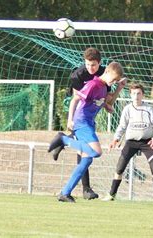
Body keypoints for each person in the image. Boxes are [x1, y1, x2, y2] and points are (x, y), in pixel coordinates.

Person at [48, 62, 126, 203]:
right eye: (113, 79)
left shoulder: (103, 87)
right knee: (96, 152)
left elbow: (109, 103)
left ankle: (65, 193)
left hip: (89, 123)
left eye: (116, 81)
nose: (113, 82)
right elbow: (75, 99)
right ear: (107, 71)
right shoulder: (93, 84)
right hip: (82, 122)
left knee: (87, 159)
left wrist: (119, 88)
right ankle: (63, 139)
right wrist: (70, 120)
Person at [102, 83, 153, 204]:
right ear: (130, 95)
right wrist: (116, 139)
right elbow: (122, 126)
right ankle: (111, 194)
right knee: (119, 168)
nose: (136, 96)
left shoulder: (149, 110)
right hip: (131, 143)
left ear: (143, 95)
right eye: (134, 93)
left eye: (139, 93)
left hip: (147, 143)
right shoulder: (127, 109)